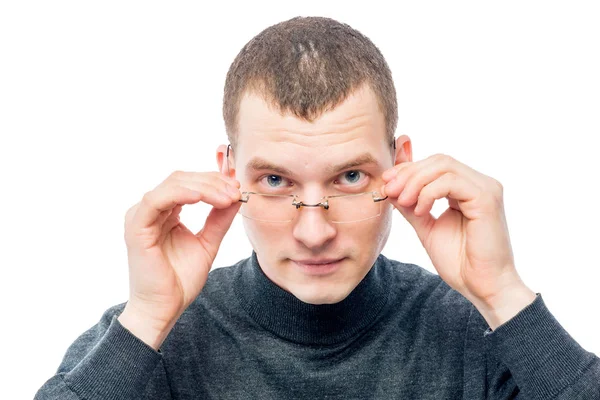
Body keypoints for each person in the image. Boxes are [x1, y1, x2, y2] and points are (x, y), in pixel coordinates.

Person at [35, 16, 599, 399]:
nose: (313, 232)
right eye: (276, 179)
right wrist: (148, 320)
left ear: (398, 163)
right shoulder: (149, 336)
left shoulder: (481, 334)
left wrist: (503, 293)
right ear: (229, 173)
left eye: (350, 176)